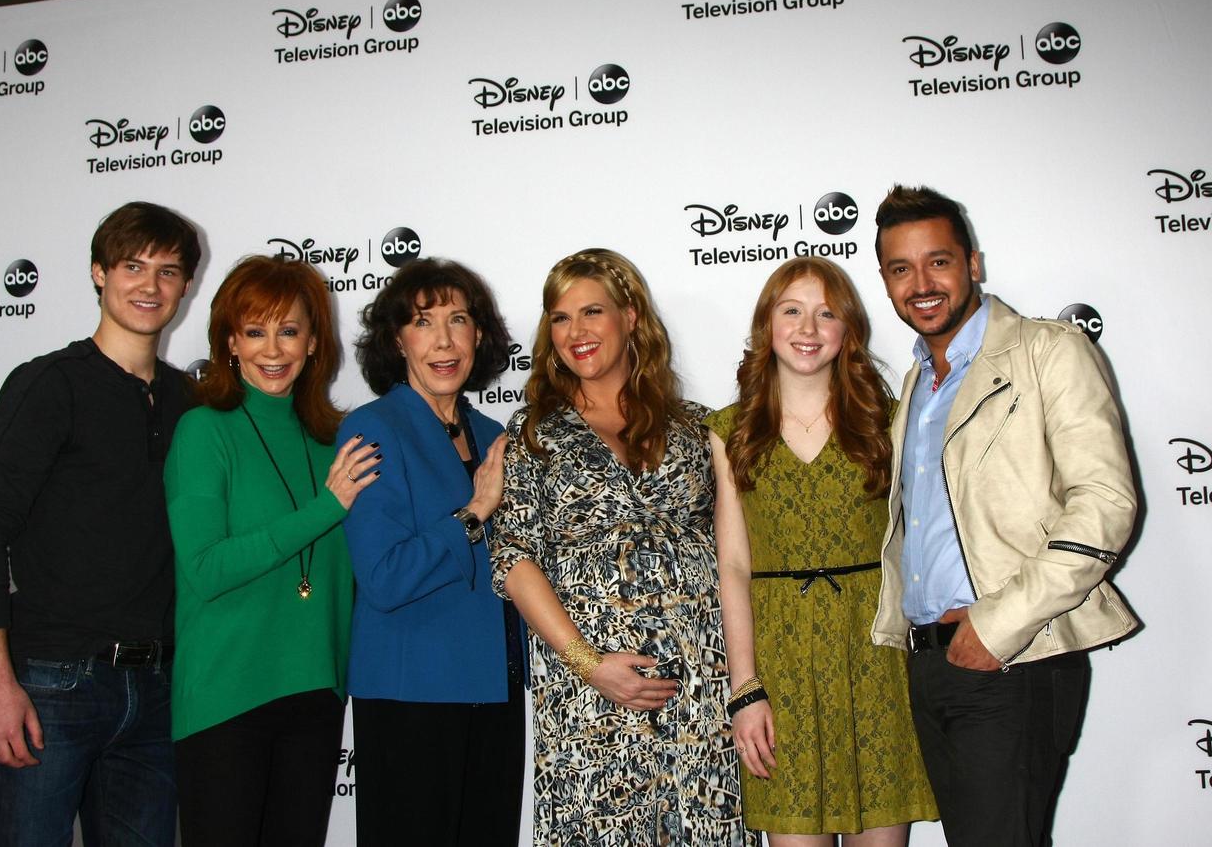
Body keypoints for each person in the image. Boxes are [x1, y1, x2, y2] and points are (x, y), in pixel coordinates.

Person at [869, 184, 1139, 847]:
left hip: (1017, 656)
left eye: (939, 261)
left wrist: (998, 625)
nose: (922, 283)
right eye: (901, 269)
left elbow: (1106, 503)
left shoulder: (1049, 351)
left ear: (975, 264)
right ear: (885, 281)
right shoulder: (916, 383)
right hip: (933, 662)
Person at [491, 248, 755, 846]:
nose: (576, 332)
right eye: (560, 318)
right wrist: (590, 665)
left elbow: (736, 556)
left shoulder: (696, 427)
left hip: (699, 694)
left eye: (592, 311)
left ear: (630, 316)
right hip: (592, 698)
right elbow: (513, 558)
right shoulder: (534, 432)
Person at [0, 201, 200, 846]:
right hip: (50, 683)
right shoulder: (48, 384)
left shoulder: (192, 402)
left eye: (168, 270)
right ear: (99, 273)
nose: (150, 286)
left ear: (187, 285)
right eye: (133, 266)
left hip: (159, 689)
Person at [708, 257, 937, 845]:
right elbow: (733, 565)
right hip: (779, 669)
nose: (808, 328)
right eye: (792, 310)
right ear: (767, 324)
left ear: (847, 331)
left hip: (876, 659)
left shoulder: (888, 420)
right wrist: (745, 689)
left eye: (826, 313)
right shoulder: (730, 429)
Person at [163, 255, 381, 846]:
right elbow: (206, 568)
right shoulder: (205, 430)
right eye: (255, 331)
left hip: (313, 694)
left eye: (289, 330)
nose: (274, 349)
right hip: (225, 698)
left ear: (314, 341)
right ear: (229, 341)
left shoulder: (338, 440)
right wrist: (325, 508)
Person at [337, 257, 524, 847]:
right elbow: (384, 577)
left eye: (458, 320)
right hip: (411, 695)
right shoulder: (371, 429)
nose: (443, 341)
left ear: (479, 335)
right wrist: (473, 513)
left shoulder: (494, 434)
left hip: (494, 689)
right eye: (422, 322)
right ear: (397, 340)